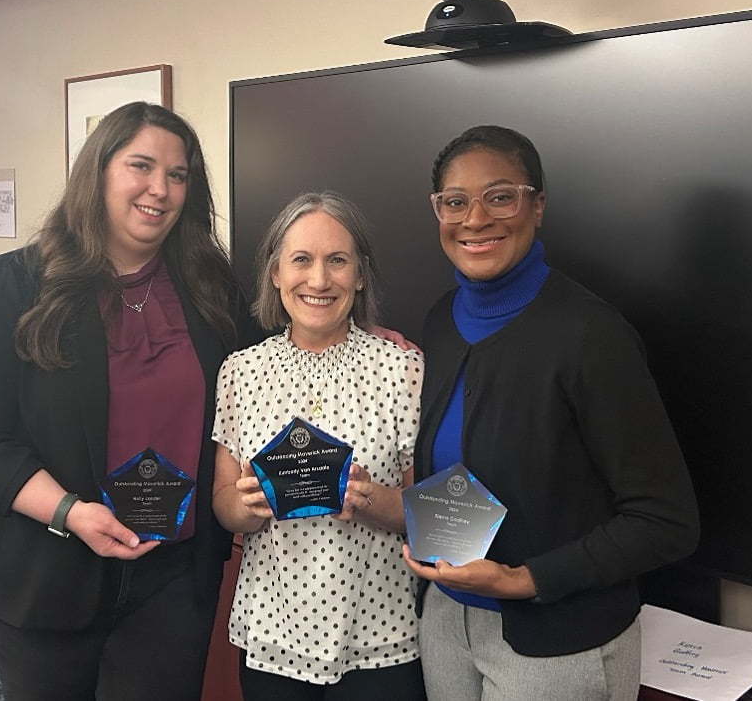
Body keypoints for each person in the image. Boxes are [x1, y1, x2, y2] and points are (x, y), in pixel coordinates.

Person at [0, 102, 261, 700]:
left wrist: (358, 337)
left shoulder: (212, 290)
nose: (159, 189)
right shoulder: (18, 284)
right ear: (99, 172)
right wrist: (69, 511)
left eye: (178, 175)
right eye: (141, 166)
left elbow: (274, 368)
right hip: (47, 574)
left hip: (173, 577)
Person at [402, 125, 700, 700]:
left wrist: (523, 580)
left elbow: (667, 521)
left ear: (537, 206)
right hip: (445, 620)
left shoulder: (592, 335)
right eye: (455, 201)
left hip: (559, 640)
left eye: (500, 196)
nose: (475, 219)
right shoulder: (438, 321)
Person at [211, 191, 427, 700]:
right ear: (275, 273)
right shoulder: (241, 372)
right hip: (272, 629)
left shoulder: (402, 367)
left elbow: (432, 514)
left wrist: (371, 498)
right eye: (301, 260)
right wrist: (244, 507)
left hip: (382, 630)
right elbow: (223, 502)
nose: (319, 280)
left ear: (360, 274)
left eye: (337, 261)